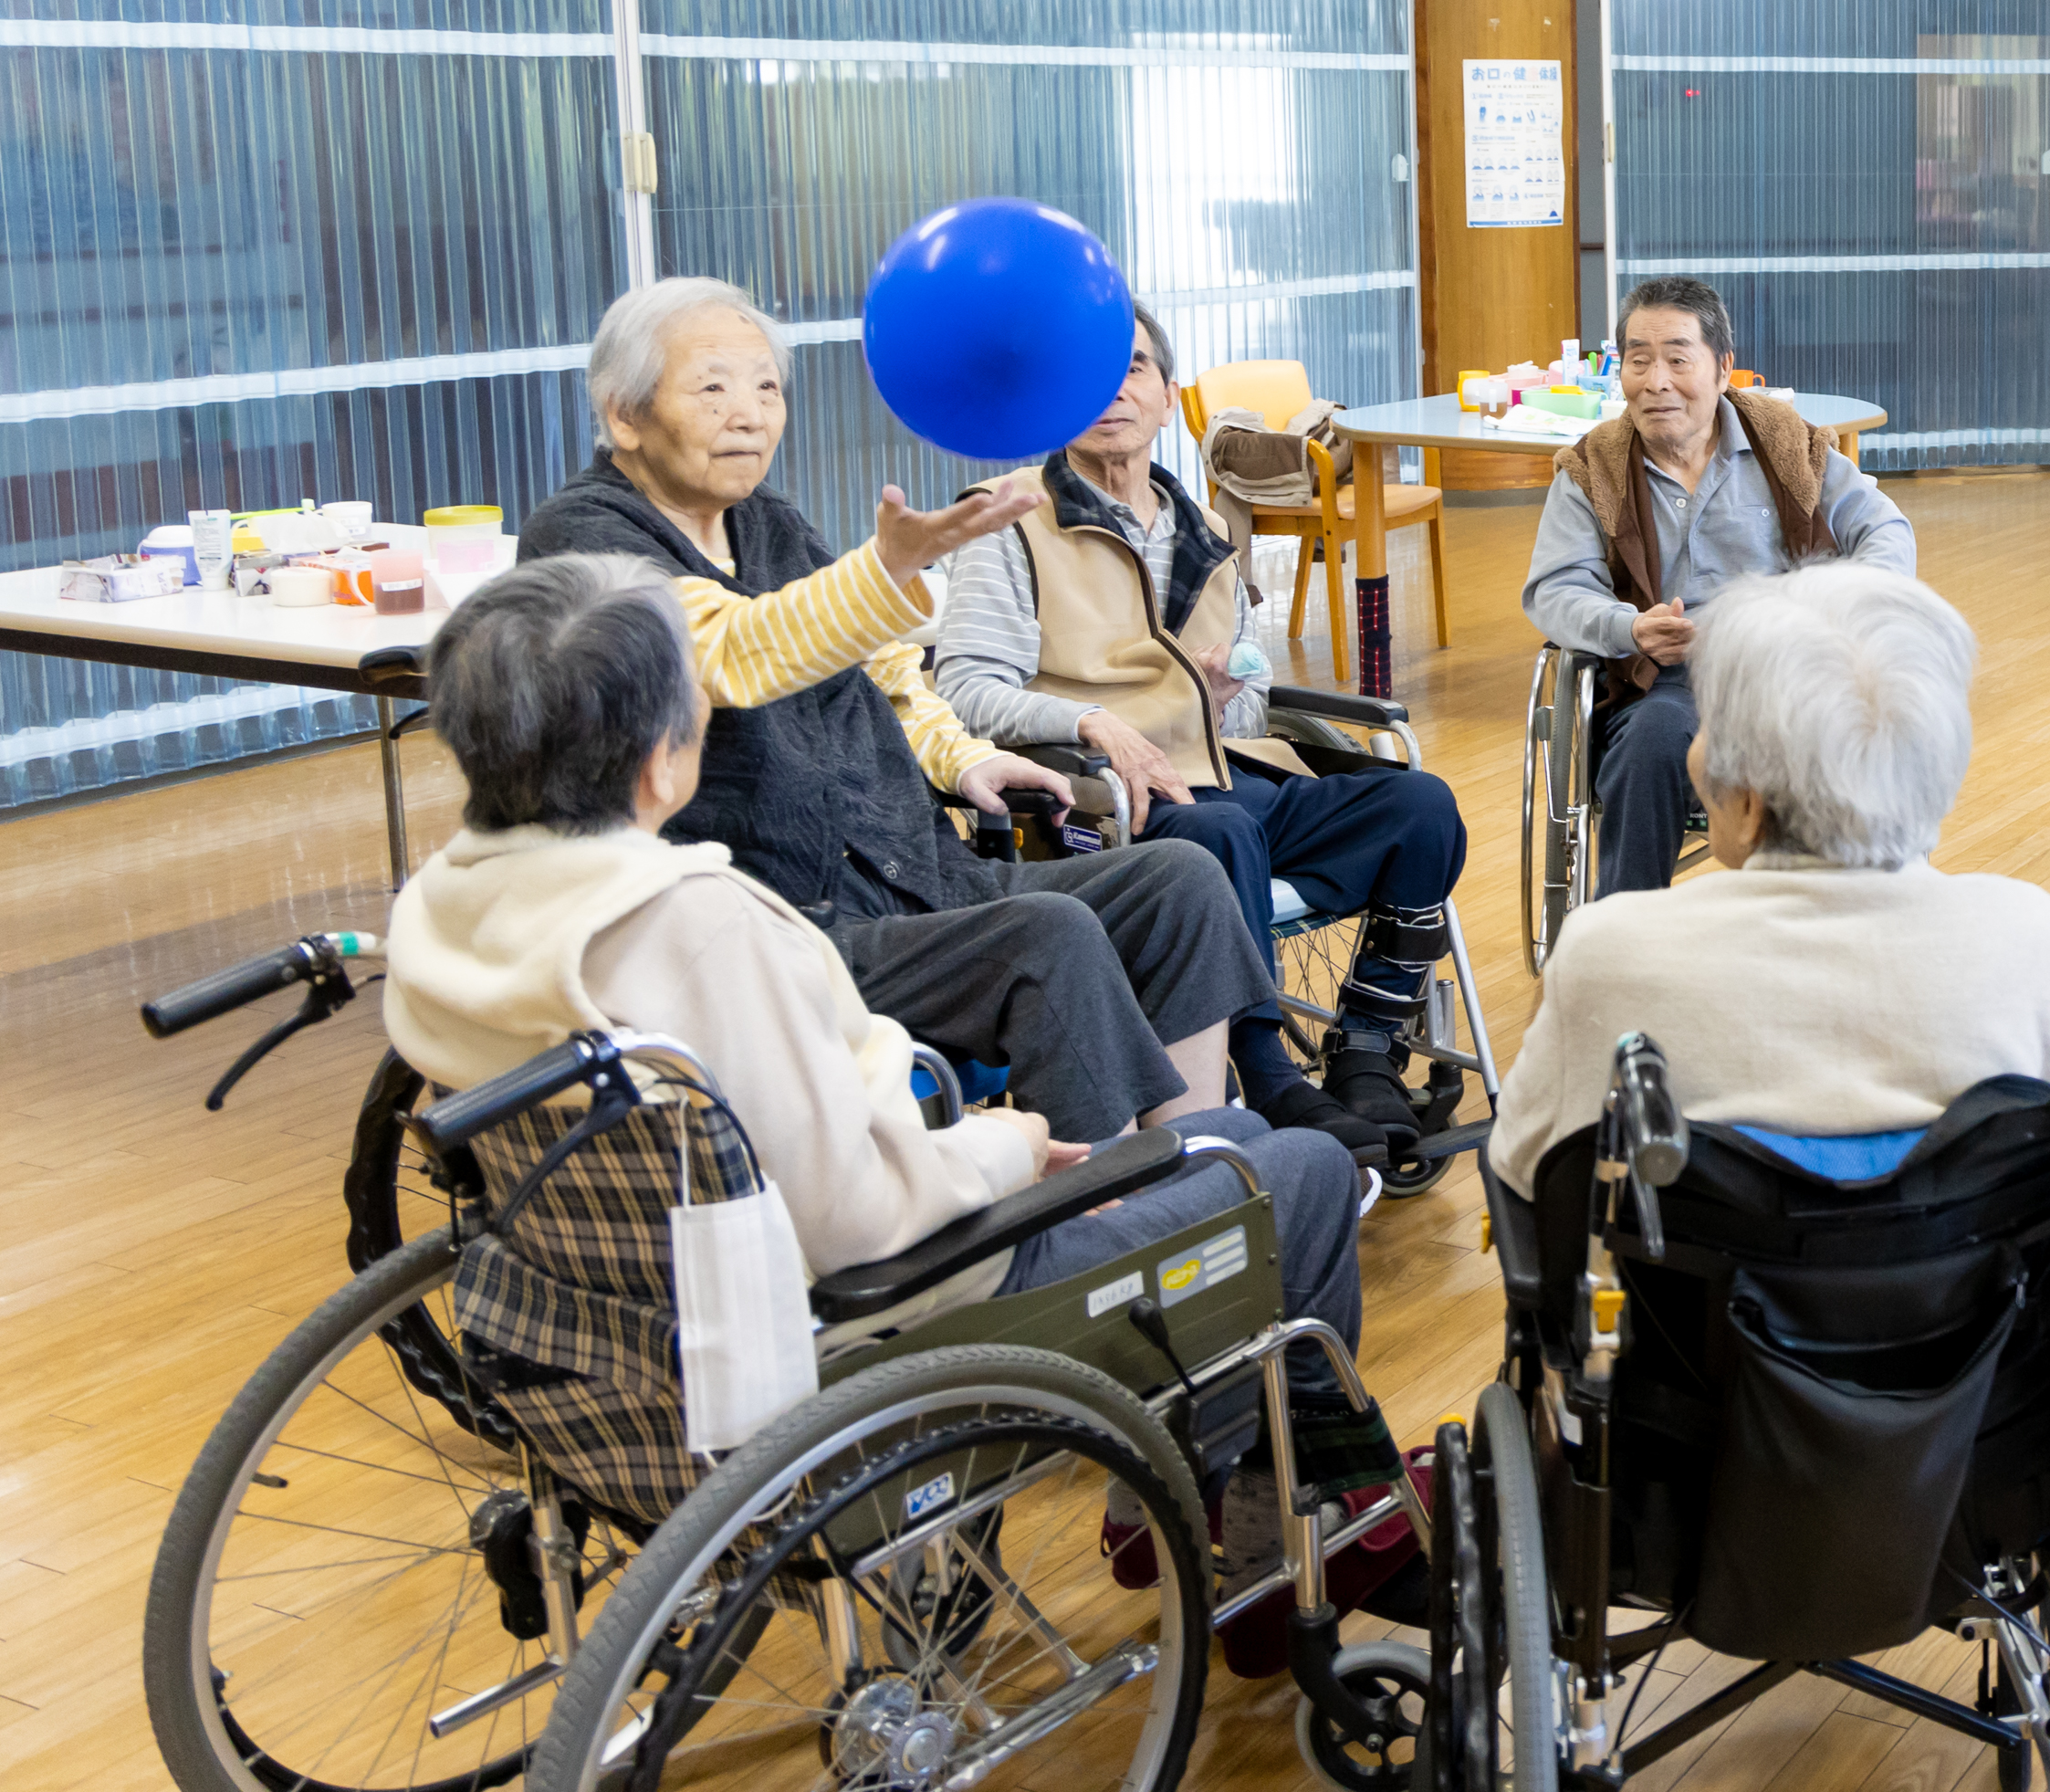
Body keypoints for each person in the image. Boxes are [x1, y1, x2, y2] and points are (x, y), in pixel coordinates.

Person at [378, 554, 1375, 1485]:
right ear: (659, 765)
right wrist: (1010, 1143)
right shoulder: (701, 927)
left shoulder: (434, 911)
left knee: (1234, 1131)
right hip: (887, 1315)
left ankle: (1184, 1476)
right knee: (1301, 1169)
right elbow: (859, 1224)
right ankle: (1248, 1508)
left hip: (609, 1334)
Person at [518, 278, 1279, 1148]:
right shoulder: (581, 540)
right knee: (1048, 933)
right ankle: (1105, 1221)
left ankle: (1197, 1165)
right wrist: (882, 573)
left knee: (1178, 878)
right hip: (779, 925)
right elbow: (731, 649)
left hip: (910, 875)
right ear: (624, 415)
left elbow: (884, 673)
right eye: (714, 387)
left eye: (767, 388)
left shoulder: (765, 521)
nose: (750, 414)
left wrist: (963, 759)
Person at [933, 308, 1470, 1162]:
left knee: (1419, 803)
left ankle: (1367, 1045)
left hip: (1218, 776)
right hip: (1098, 804)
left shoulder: (1214, 533)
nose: (1114, 390)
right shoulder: (1009, 524)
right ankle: (1265, 1071)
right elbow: (962, 691)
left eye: (1135, 368)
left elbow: (1246, 711)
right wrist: (1090, 722)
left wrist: (1222, 700)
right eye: (1088, 373)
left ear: (1166, 394)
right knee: (1218, 830)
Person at [1486, 565, 2050, 1189]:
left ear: (1750, 807)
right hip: (1972, 1284)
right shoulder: (2035, 939)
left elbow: (1527, 1174)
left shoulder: (1605, 951)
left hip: (1695, 1284)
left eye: (1709, 726)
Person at [1521, 276, 1917, 898]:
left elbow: (1886, 529)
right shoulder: (1593, 468)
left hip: (1788, 675)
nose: (1656, 382)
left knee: (1878, 724)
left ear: (1723, 366)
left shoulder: (1787, 445)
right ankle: (1627, 939)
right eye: (1638, 360)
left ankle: (1860, 918)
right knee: (1648, 743)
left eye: (1678, 359)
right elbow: (1554, 589)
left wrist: (1835, 610)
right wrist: (1630, 628)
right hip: (1668, 684)